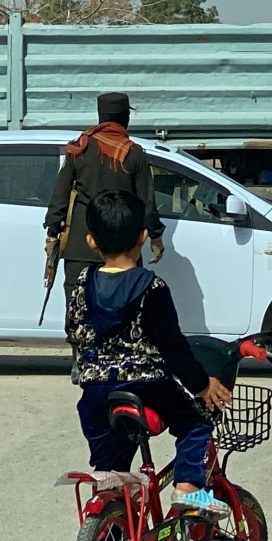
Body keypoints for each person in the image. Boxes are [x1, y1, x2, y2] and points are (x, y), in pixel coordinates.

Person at [69, 189, 233, 516]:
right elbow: (173, 348)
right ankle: (187, 488)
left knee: (111, 464)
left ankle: (110, 513)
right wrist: (202, 385)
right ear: (143, 237)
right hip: (147, 387)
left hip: (96, 393)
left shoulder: (83, 282)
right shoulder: (151, 287)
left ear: (91, 241)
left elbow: (74, 331)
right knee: (196, 423)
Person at [45, 92, 166, 384]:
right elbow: (147, 202)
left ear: (101, 118)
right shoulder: (134, 153)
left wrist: (53, 231)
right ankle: (119, 358)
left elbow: (60, 195)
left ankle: (80, 361)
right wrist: (156, 238)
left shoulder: (80, 148)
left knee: (77, 297)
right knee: (123, 301)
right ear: (125, 118)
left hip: (80, 240)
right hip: (122, 244)